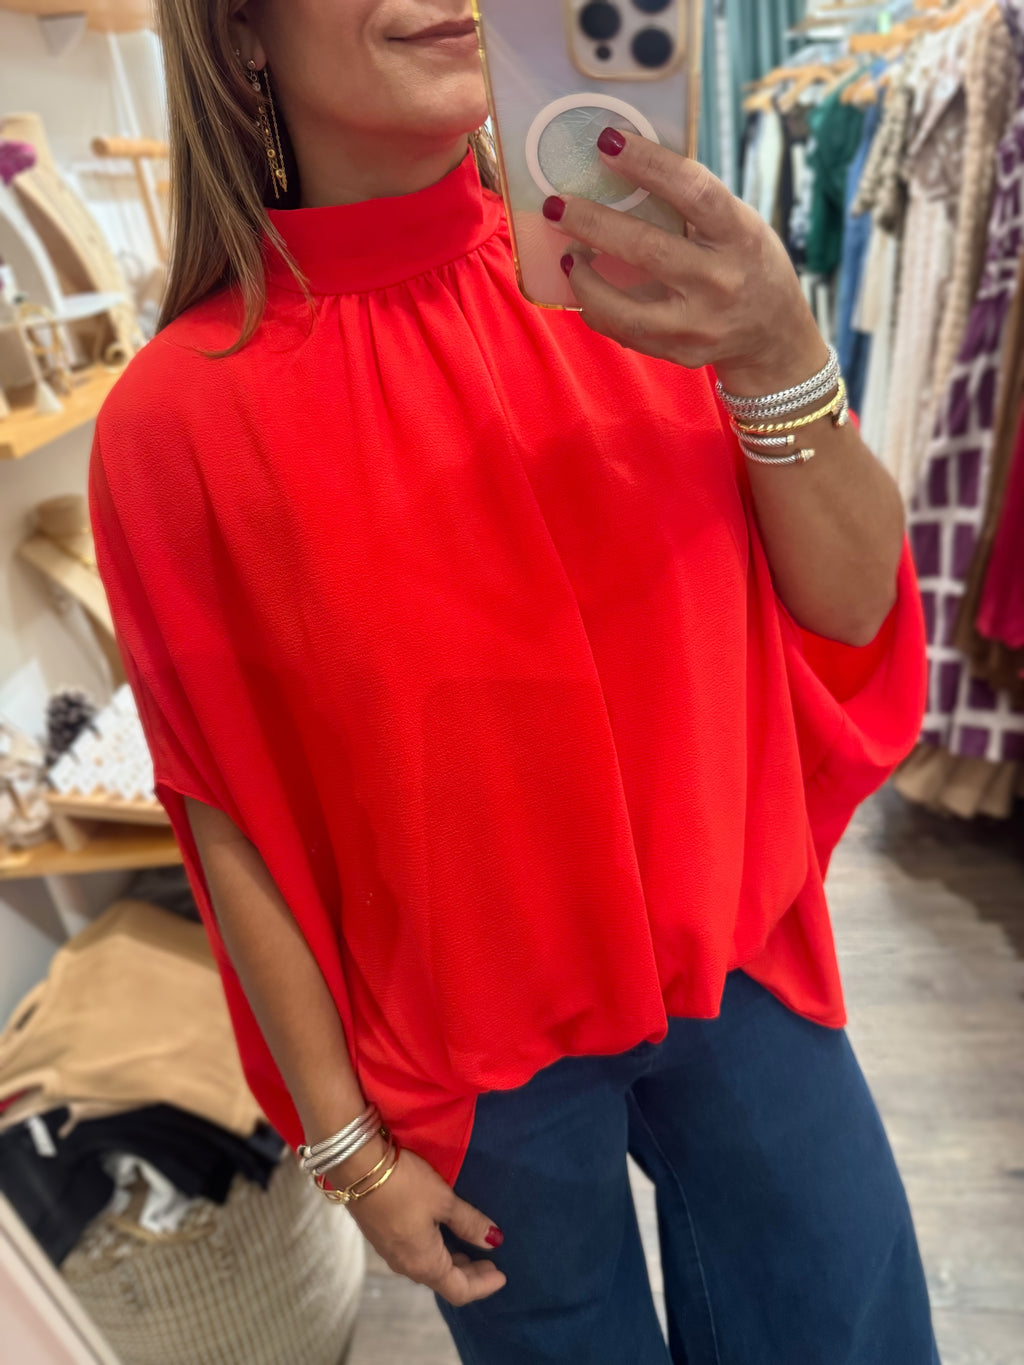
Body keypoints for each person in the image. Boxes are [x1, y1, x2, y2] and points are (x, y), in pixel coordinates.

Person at [88, 1, 941, 1361]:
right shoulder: (178, 420)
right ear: (241, 30)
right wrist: (344, 1144)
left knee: (848, 1326)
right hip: (473, 1052)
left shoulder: (646, 282)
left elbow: (850, 609)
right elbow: (225, 804)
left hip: (743, 963)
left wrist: (779, 349)